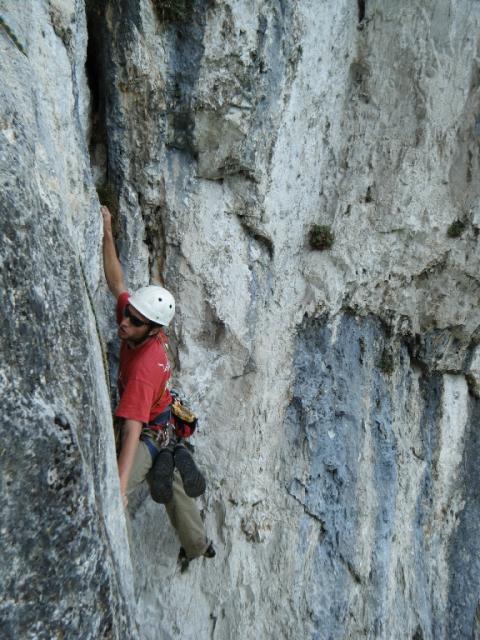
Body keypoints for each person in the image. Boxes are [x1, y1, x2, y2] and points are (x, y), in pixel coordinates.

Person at [101, 205, 214, 567]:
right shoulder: (140, 317)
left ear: (153, 330)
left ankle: (196, 542)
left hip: (149, 429)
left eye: (134, 322)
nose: (125, 323)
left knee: (131, 480)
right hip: (161, 415)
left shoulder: (145, 368)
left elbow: (132, 427)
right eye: (128, 314)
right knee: (172, 485)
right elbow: (117, 282)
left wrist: (119, 487)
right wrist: (106, 230)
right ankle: (196, 539)